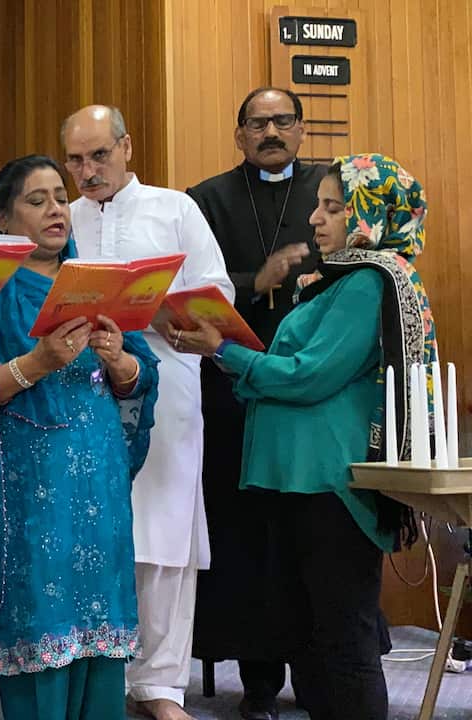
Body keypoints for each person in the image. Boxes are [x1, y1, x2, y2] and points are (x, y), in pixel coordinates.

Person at [172, 153, 431, 720]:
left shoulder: (366, 282)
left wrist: (223, 350)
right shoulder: (334, 283)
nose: (316, 218)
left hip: (329, 482)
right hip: (297, 479)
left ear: (370, 215)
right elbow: (289, 372)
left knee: (343, 638)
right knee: (308, 637)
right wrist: (232, 356)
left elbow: (309, 375)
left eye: (334, 207)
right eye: (318, 204)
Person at [0, 154, 160, 720]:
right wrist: (38, 361)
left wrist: (119, 360)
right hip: (29, 491)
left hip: (99, 485)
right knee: (42, 625)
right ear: (2, 220)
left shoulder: (98, 285)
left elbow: (141, 378)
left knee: (101, 628)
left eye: (60, 197)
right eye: (37, 200)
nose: (57, 209)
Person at [61, 104, 233, 720]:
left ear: (126, 147)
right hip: (80, 390)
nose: (87, 171)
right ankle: (97, 672)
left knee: (162, 537)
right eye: (76, 160)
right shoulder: (63, 218)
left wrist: (165, 308)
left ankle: (161, 685)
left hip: (169, 383)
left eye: (98, 156)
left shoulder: (175, 209)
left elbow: (219, 293)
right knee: (94, 531)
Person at [184, 87, 325, 720]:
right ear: (238, 134)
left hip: (314, 395)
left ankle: (323, 675)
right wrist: (252, 282)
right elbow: (186, 286)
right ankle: (259, 681)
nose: (271, 132)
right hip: (234, 395)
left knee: (313, 539)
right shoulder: (204, 201)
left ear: (301, 130)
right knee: (246, 541)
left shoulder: (332, 192)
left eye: (283, 121)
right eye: (258, 123)